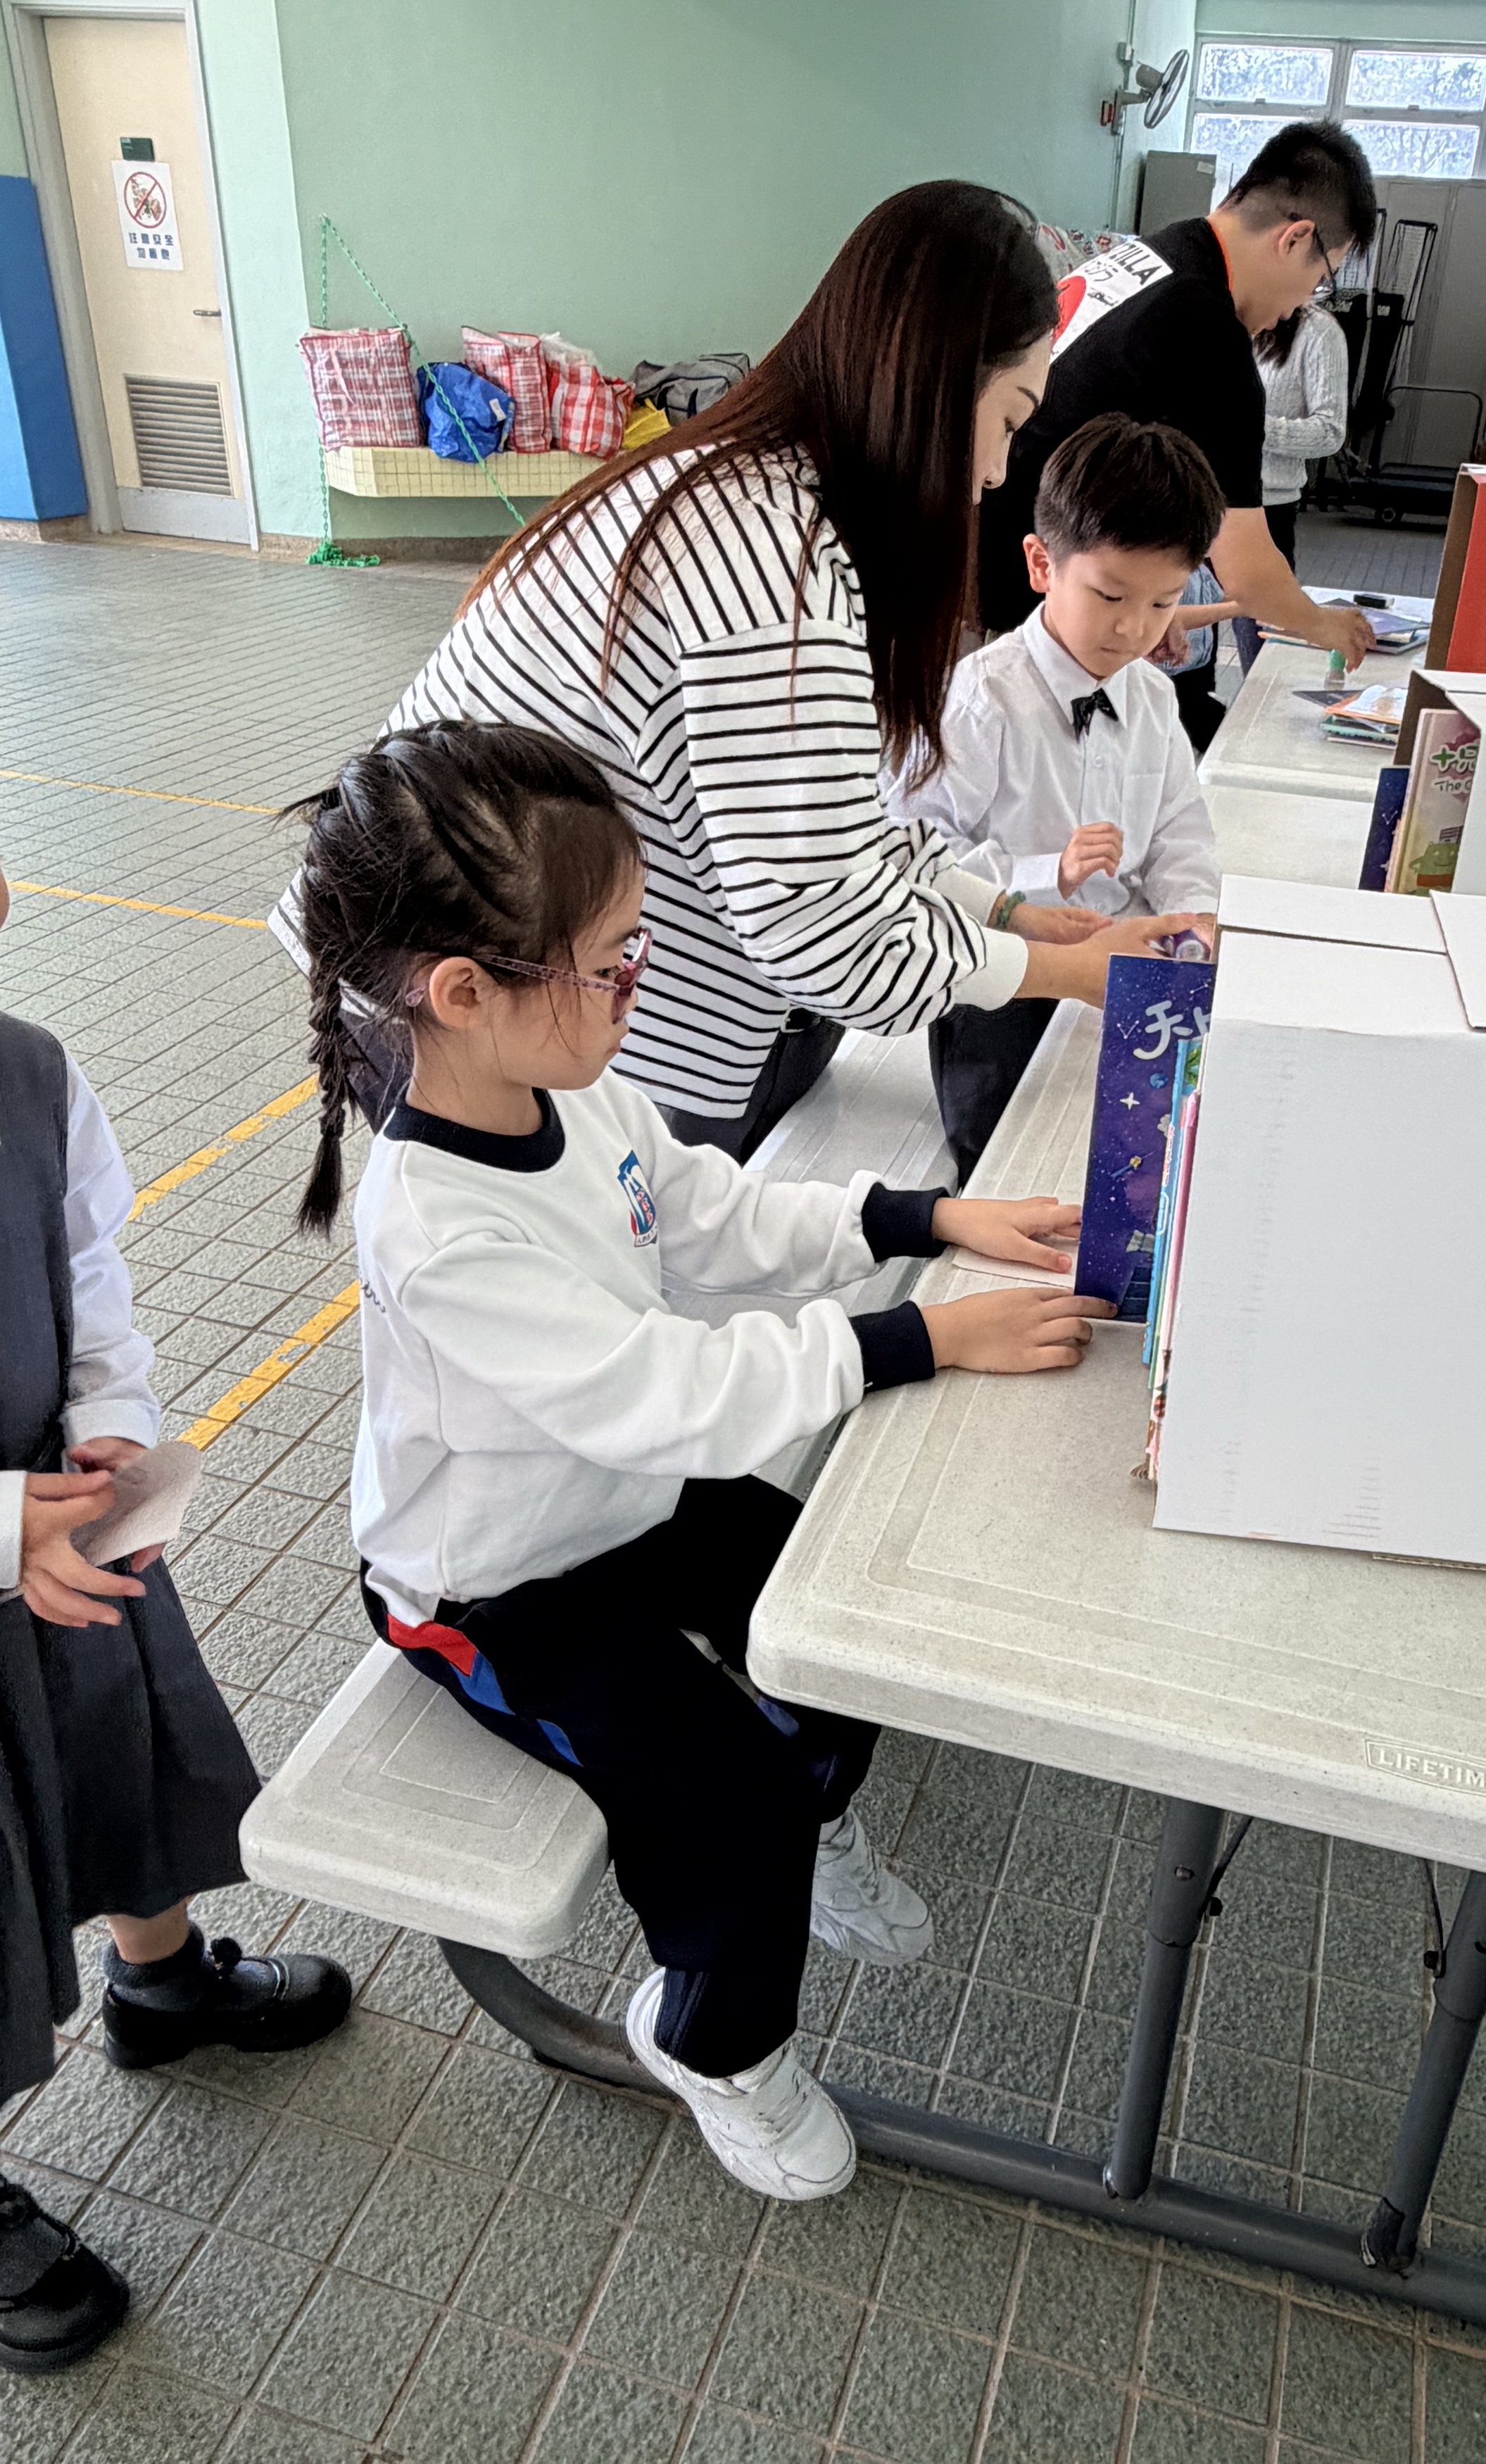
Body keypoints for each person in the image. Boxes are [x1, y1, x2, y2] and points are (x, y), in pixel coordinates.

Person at [289, 721, 1115, 2204]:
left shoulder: (573, 1091)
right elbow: (661, 1395)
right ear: (464, 992)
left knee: (835, 1615)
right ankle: (710, 2040)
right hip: (491, 1585)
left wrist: (927, 1221)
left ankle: (817, 1813)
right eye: (612, 962)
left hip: (622, 1501)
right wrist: (924, 1338)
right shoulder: (437, 1227)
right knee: (725, 1807)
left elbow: (711, 1216)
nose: (639, 982)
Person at [367, 182, 1194, 1163]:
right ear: (932, 389)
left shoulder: (761, 498)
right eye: (1009, 420)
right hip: (474, 1003)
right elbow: (822, 932)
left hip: (534, 987)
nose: (993, 474)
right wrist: (1061, 968)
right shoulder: (769, 562)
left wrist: (1007, 911)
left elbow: (846, 831)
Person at [0, 860, 351, 2375]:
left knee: (127, 1749)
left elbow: (89, 1272)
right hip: (11, 1531)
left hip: (66, 1520)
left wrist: (107, 1428)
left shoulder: (30, 1071)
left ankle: (161, 1979)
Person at [976, 120, 1380, 756]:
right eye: (1321, 280)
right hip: (1013, 604)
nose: (1303, 303)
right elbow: (1246, 567)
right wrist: (1325, 625)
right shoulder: (1206, 327)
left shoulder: (1153, 254)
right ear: (1295, 238)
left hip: (976, 547)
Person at [889, 414, 1222, 1181]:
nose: (1133, 628)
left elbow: (1179, 828)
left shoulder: (1151, 696)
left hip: (1124, 964)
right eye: (1110, 595)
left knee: (1126, 1151)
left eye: (1164, 603)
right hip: (1003, 977)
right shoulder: (983, 698)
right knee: (1007, 1160)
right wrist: (1050, 873)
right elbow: (914, 854)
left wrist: (1193, 913)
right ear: (1042, 563)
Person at [1228, 294, 1350, 677]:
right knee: (1180, 652)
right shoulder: (1214, 314)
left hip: (1265, 507)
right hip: (1195, 501)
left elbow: (1330, 432)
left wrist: (1250, 426)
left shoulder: (1317, 331)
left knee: (1263, 651)